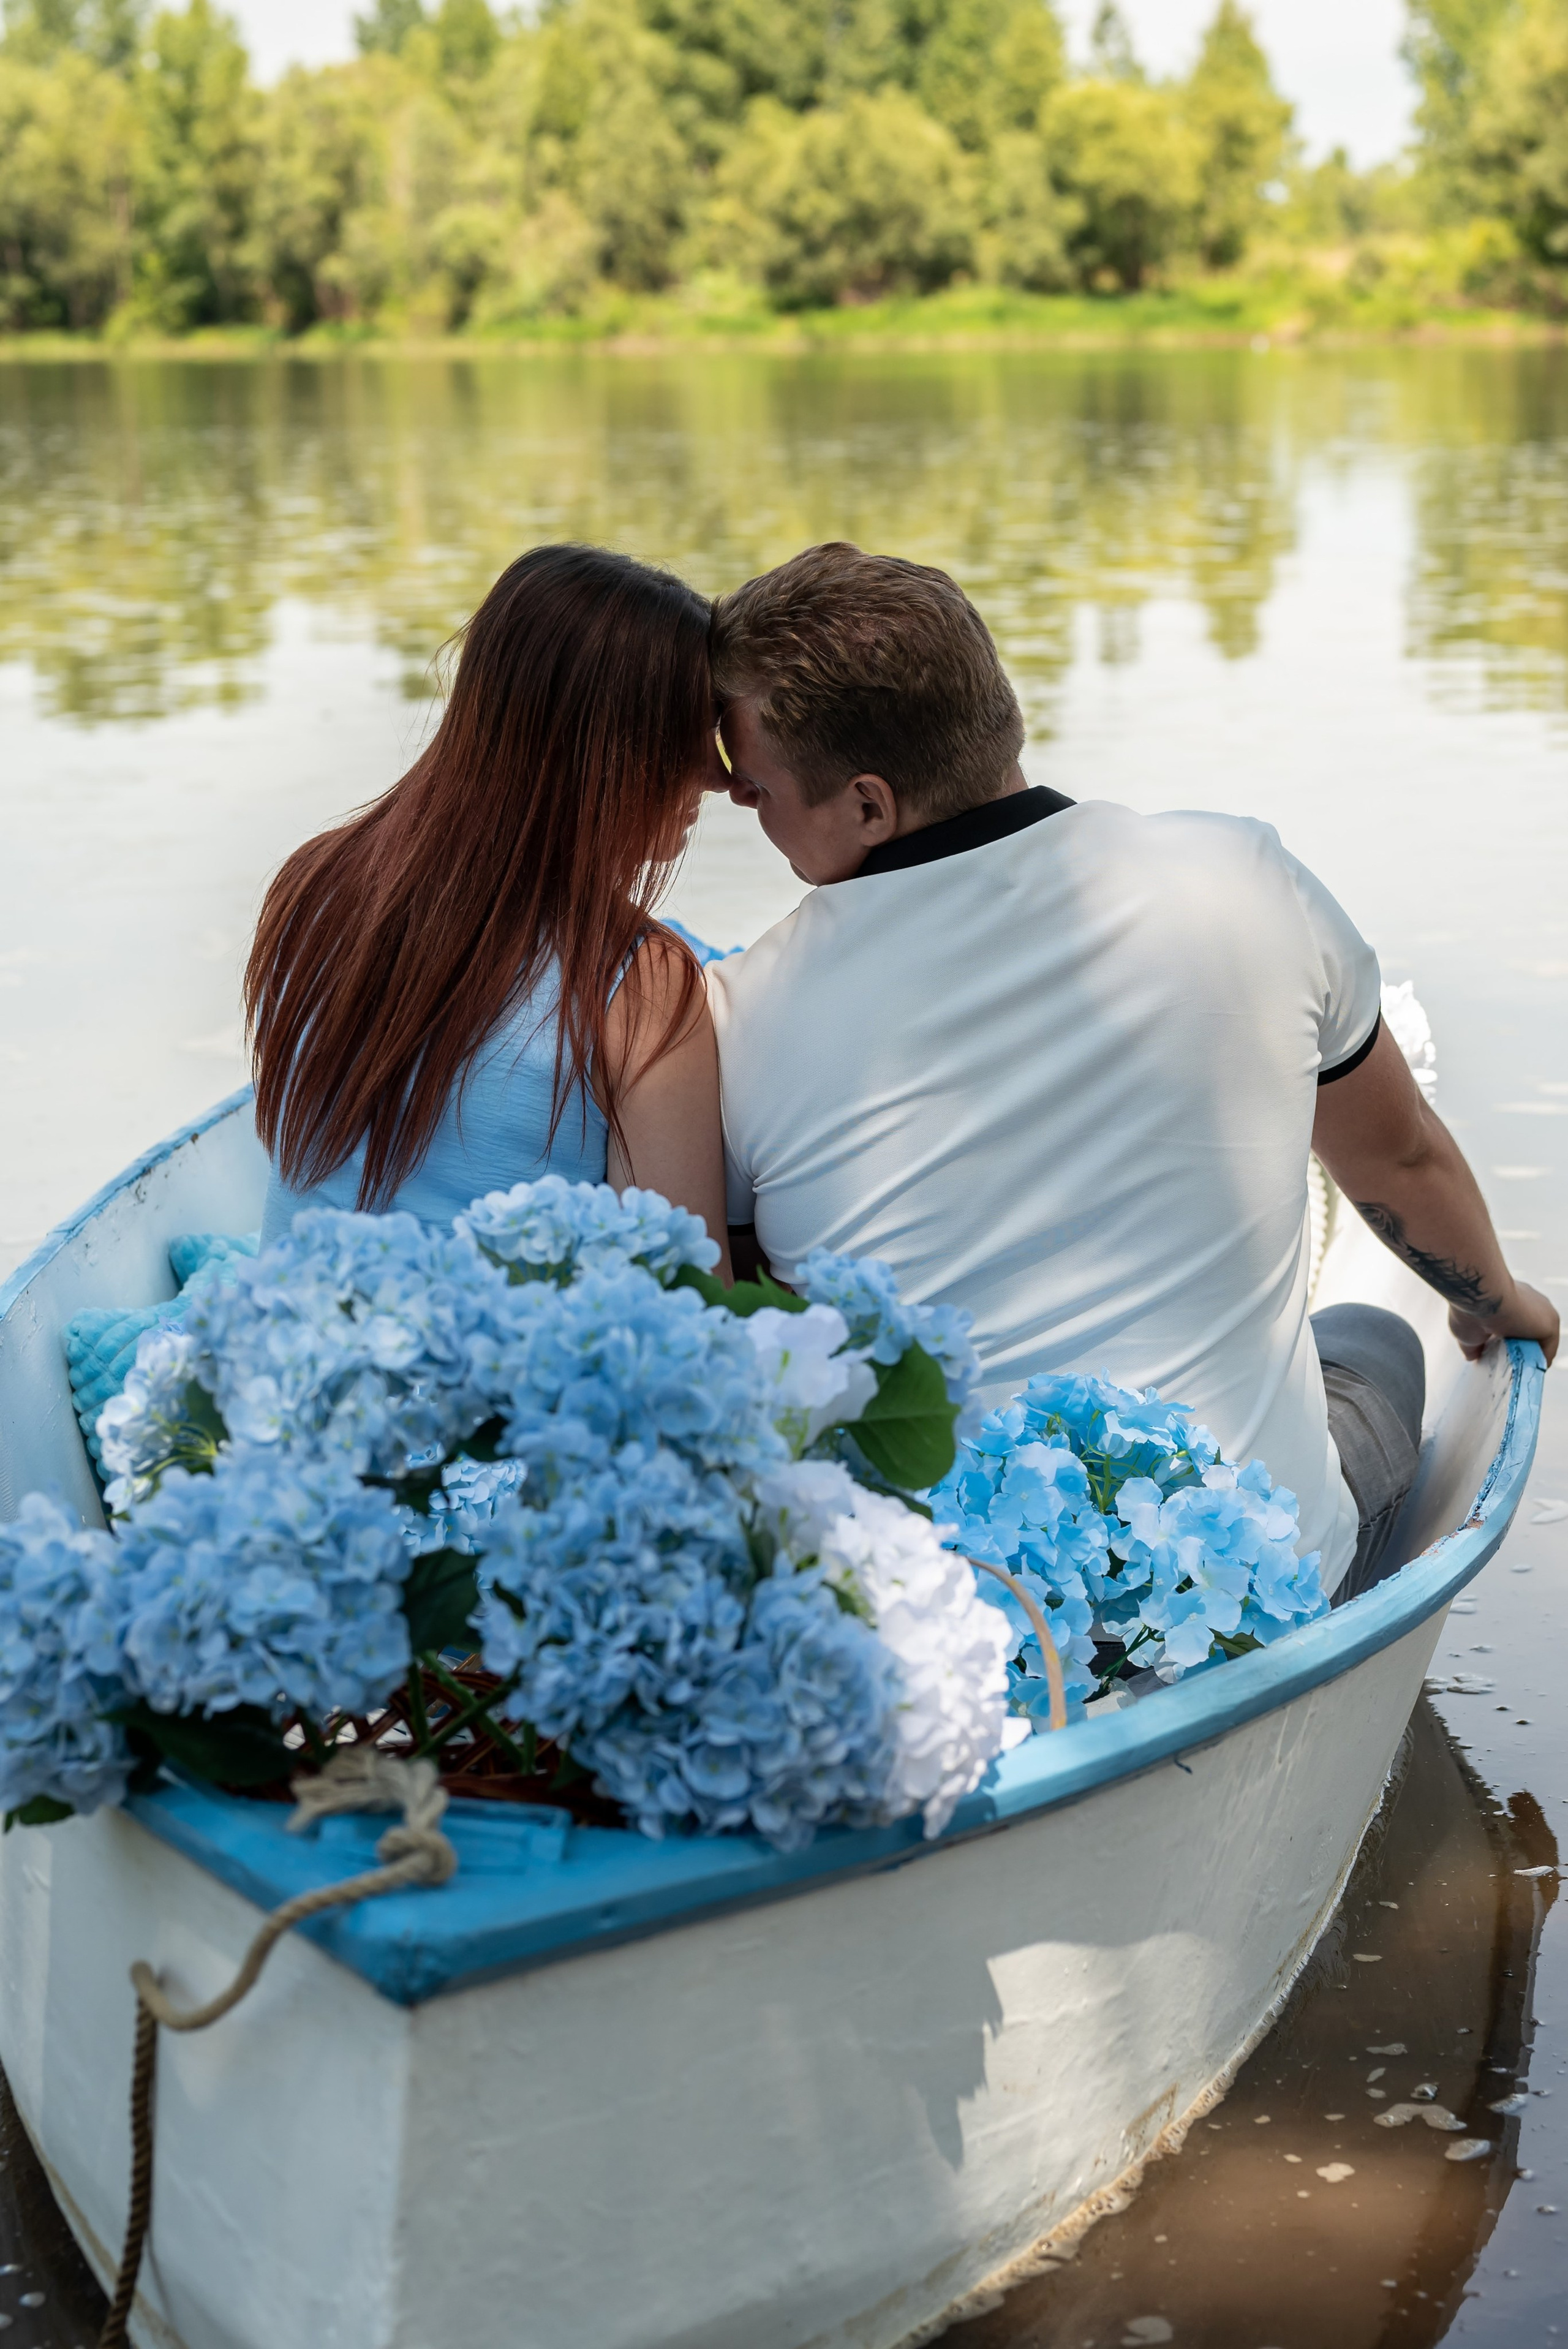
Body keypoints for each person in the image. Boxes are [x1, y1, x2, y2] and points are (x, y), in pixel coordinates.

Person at [706, 542, 1558, 1602]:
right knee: (1378, 1334)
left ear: (870, 806)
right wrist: (1503, 1304)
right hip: (1254, 1563)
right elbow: (1399, 1157)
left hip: (972, 1613)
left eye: (755, 797)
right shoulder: (1242, 876)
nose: (750, 815)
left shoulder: (735, 1015)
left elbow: (747, 1304)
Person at [247, 543, 731, 1277]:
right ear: (604, 746)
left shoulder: (310, 884)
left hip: (278, 1368)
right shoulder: (642, 984)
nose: (719, 775)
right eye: (693, 730)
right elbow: (683, 1294)